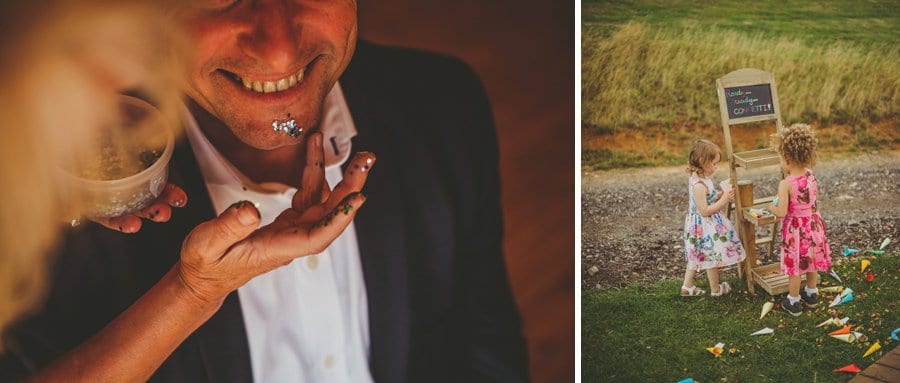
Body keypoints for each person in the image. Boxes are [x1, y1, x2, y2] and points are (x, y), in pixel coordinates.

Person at [1, 1, 528, 382]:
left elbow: (485, 343)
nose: (278, 51)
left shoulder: (443, 101)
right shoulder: (46, 181)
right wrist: (190, 294)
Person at [766, 123, 831, 317]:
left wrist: (770, 206)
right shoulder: (810, 175)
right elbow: (812, 200)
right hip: (814, 225)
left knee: (795, 266)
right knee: (811, 261)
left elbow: (781, 212)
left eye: (780, 158)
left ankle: (793, 302)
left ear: (787, 159)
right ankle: (811, 294)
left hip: (796, 231)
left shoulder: (786, 184)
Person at [681, 139, 746, 297]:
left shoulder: (703, 178)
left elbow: (709, 196)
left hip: (702, 225)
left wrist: (720, 194)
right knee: (711, 256)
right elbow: (704, 211)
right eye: (714, 163)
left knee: (697, 255)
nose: (716, 167)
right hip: (704, 226)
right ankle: (716, 289)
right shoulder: (698, 185)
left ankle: (687, 287)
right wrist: (723, 200)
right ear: (702, 161)